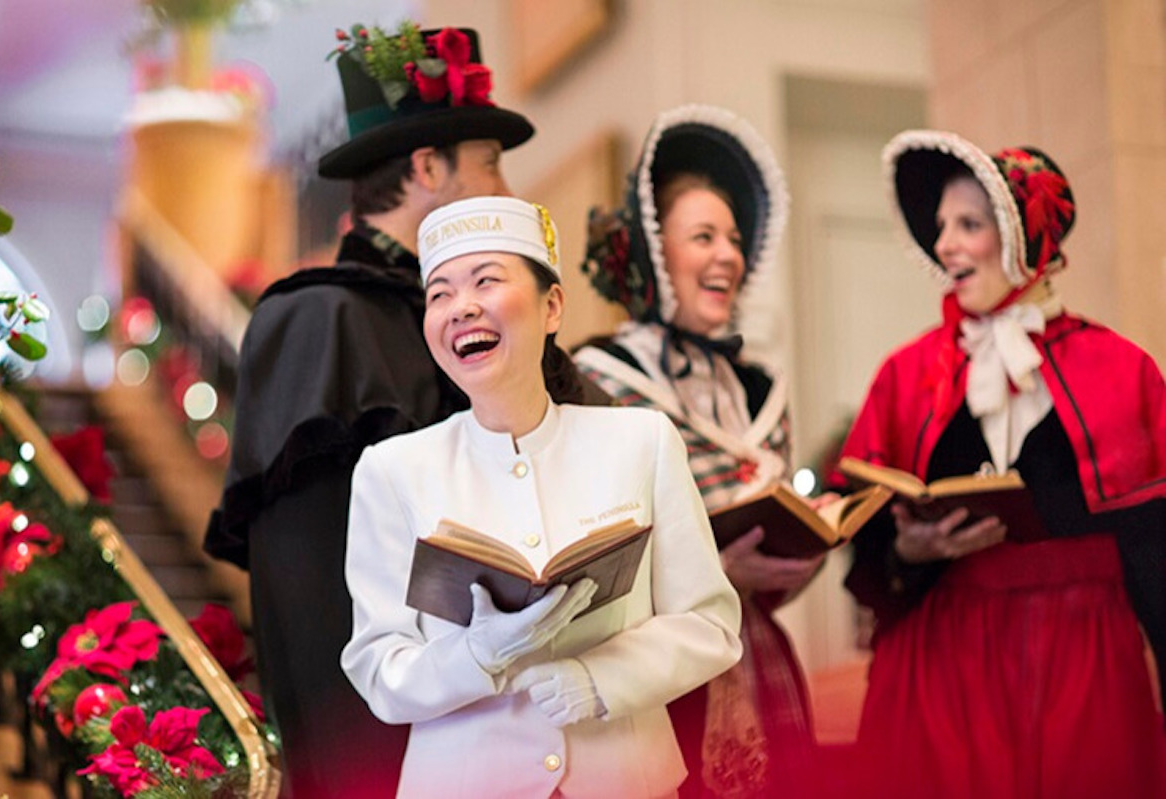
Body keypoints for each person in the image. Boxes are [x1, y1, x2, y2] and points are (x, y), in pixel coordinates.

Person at [204, 24, 538, 797]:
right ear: (428, 167)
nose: (509, 191)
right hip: (385, 748)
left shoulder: (473, 325)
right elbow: (312, 597)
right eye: (491, 164)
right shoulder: (321, 322)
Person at [340, 195, 742, 799]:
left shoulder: (642, 441)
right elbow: (378, 669)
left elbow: (710, 624)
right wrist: (476, 655)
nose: (461, 306)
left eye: (486, 281)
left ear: (552, 305)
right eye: (440, 294)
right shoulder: (392, 471)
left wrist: (600, 679)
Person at [834, 129, 1166, 799]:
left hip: (1083, 666)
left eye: (969, 224)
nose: (945, 245)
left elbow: (1157, 558)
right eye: (941, 227)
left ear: (1023, 239)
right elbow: (864, 547)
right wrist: (907, 550)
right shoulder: (905, 375)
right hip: (944, 670)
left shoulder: (1122, 369)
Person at [573, 104, 823, 798]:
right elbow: (589, 559)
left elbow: (772, 570)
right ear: (654, 256)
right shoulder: (595, 379)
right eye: (703, 237)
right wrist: (713, 571)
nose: (728, 256)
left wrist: (802, 550)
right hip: (663, 675)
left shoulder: (755, 387)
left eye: (734, 239)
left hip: (760, 655)